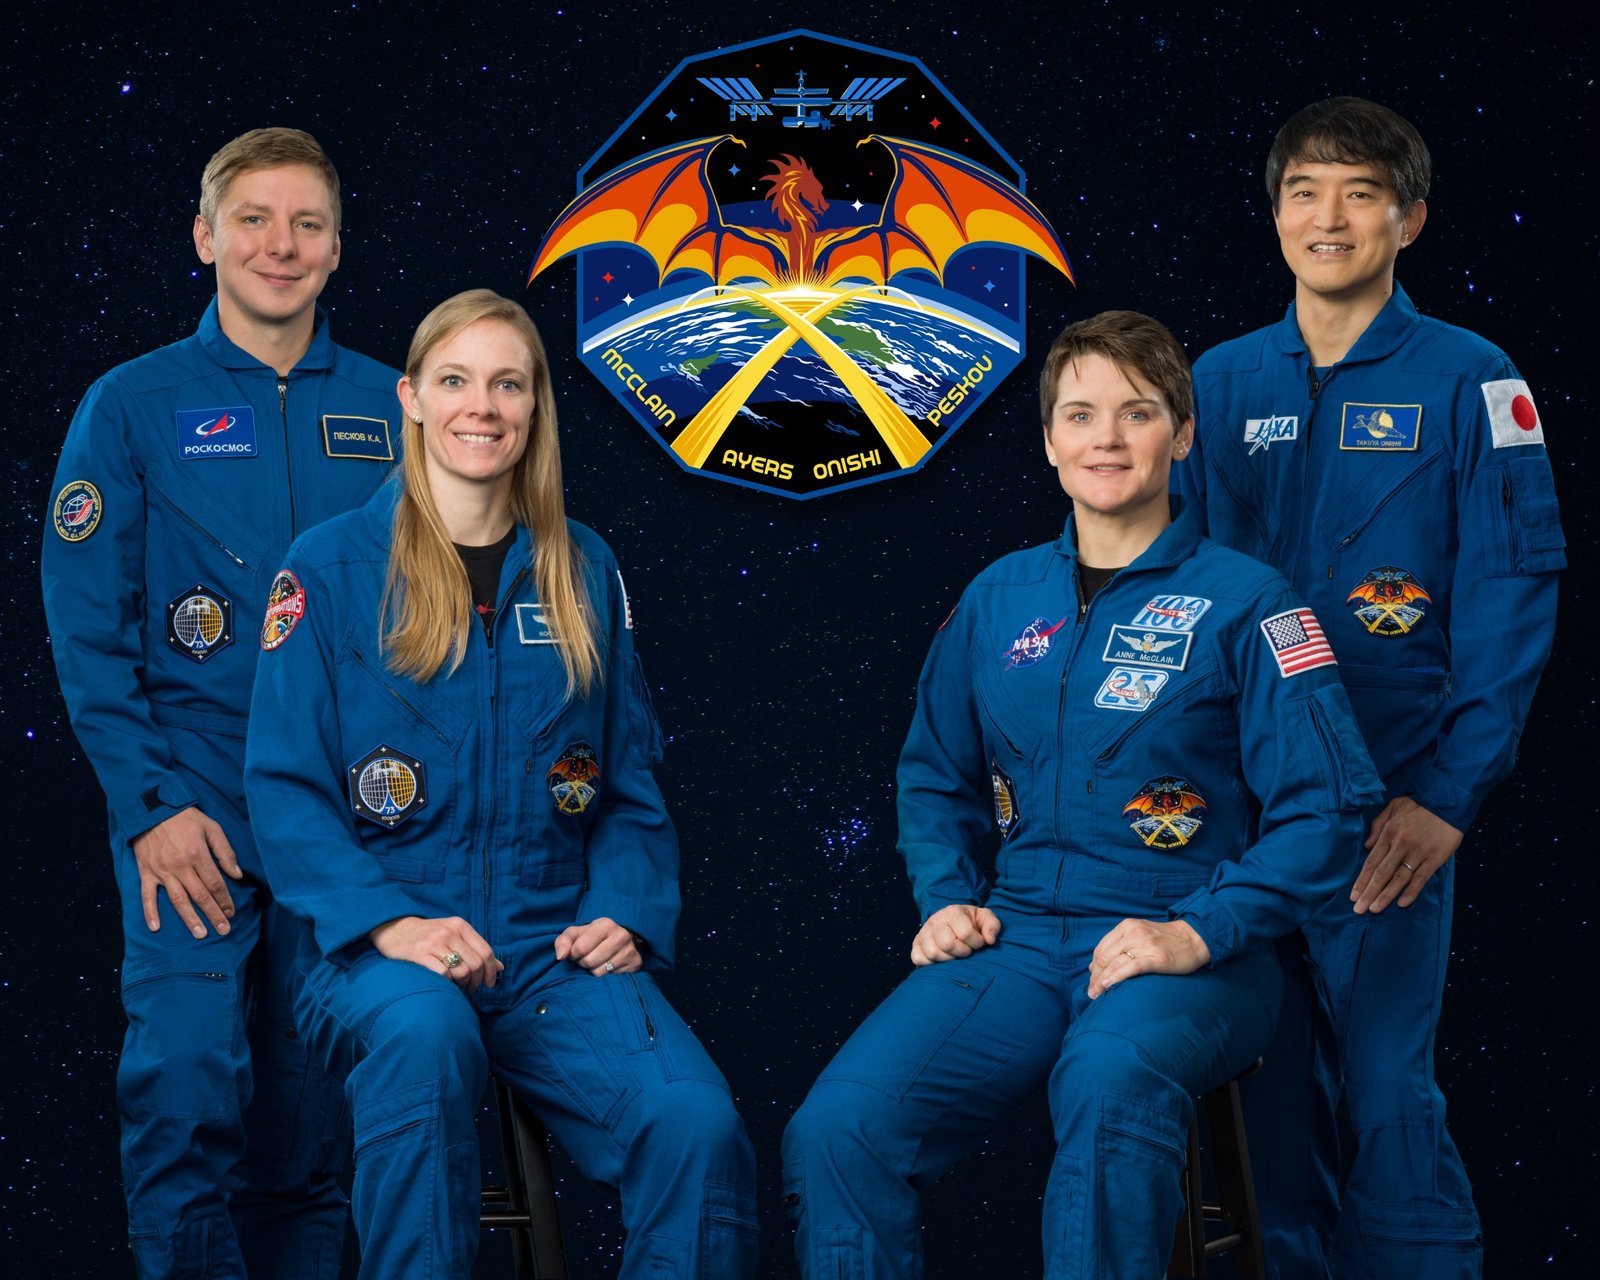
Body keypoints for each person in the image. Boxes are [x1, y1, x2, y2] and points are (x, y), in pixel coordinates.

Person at [781, 310, 1383, 1279]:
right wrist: (944, 896)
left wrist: (1199, 929)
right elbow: (934, 770)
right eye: (1080, 414)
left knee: (1106, 1085)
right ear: (1052, 438)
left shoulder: (1251, 603)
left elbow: (1327, 810)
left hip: (1193, 950)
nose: (1106, 437)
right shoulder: (997, 598)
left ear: (1181, 434)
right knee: (839, 1126)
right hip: (1019, 937)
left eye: (1136, 412)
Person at [243, 289, 759, 1278]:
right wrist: (390, 923)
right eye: (456, 381)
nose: (482, 407)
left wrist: (624, 908)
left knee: (696, 1126)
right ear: (411, 398)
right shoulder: (330, 568)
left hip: (547, 941)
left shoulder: (583, 569)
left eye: (507, 384)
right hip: (377, 950)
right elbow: (284, 789)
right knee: (428, 1040)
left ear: (533, 408)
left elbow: (627, 778)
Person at [1178, 97, 1565, 1278]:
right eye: (1303, 191)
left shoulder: (1472, 379)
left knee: (1388, 1091)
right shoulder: (1220, 379)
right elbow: (1174, 587)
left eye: (1356, 192)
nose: (1326, 216)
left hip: (1386, 807)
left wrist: (1448, 794)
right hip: (1244, 817)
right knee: (1266, 1102)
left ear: (1409, 218)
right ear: (1275, 214)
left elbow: (1515, 590)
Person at [41, 127, 399, 1277]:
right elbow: (89, 627)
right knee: (187, 1082)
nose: (278, 244)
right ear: (205, 237)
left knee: (311, 1119)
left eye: (305, 222)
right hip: (189, 795)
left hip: (342, 812)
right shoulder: (133, 405)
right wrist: (148, 805)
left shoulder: (401, 410)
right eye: (252, 218)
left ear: (338, 246)